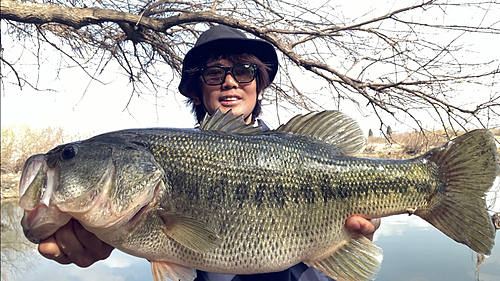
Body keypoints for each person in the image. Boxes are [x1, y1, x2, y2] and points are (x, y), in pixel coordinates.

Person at [38, 25, 381, 281]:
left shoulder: (298, 147)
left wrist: (370, 217)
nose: (230, 82)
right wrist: (68, 229)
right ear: (198, 91)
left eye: (245, 72)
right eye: (214, 74)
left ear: (259, 86)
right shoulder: (166, 164)